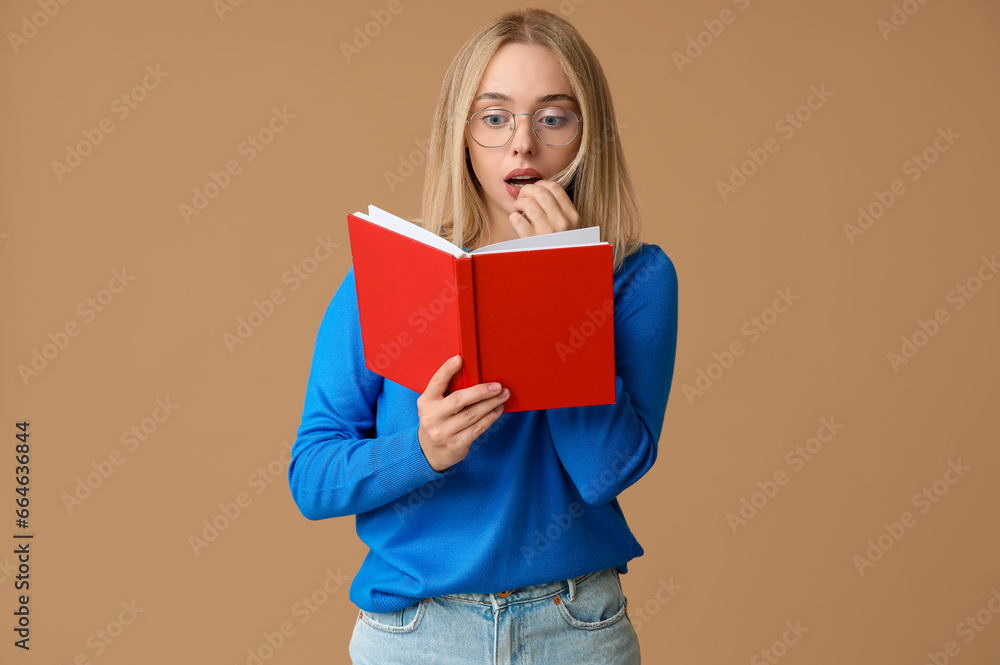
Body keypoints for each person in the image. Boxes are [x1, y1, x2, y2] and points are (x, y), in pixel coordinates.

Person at [288, 8, 678, 664]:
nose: (522, 146)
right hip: (416, 635)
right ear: (462, 134)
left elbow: (606, 471)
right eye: (494, 118)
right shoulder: (388, 277)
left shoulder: (637, 278)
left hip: (576, 627)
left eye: (552, 117)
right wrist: (424, 448)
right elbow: (312, 477)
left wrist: (559, 285)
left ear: (588, 135)